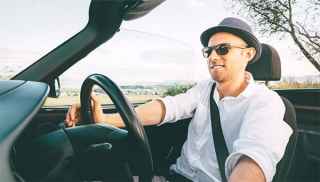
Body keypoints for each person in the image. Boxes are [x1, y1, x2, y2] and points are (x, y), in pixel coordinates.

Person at [65, 17, 293, 182]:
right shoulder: (205, 89)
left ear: (248, 54)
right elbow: (168, 108)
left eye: (223, 49)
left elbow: (255, 158)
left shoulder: (266, 103)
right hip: (173, 176)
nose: (213, 57)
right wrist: (106, 119)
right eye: (208, 51)